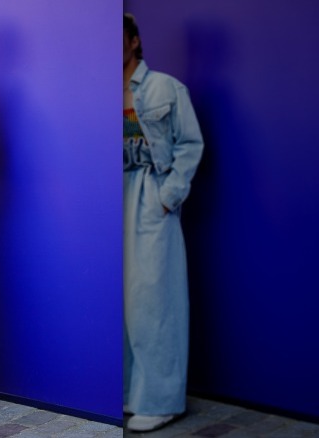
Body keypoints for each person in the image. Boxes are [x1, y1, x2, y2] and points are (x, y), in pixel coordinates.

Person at [122, 13, 204, 433]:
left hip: (150, 196)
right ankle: (127, 395)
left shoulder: (165, 88)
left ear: (134, 41)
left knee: (154, 298)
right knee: (117, 300)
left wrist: (169, 196)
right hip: (112, 198)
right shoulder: (102, 89)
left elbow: (191, 143)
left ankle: (161, 399)